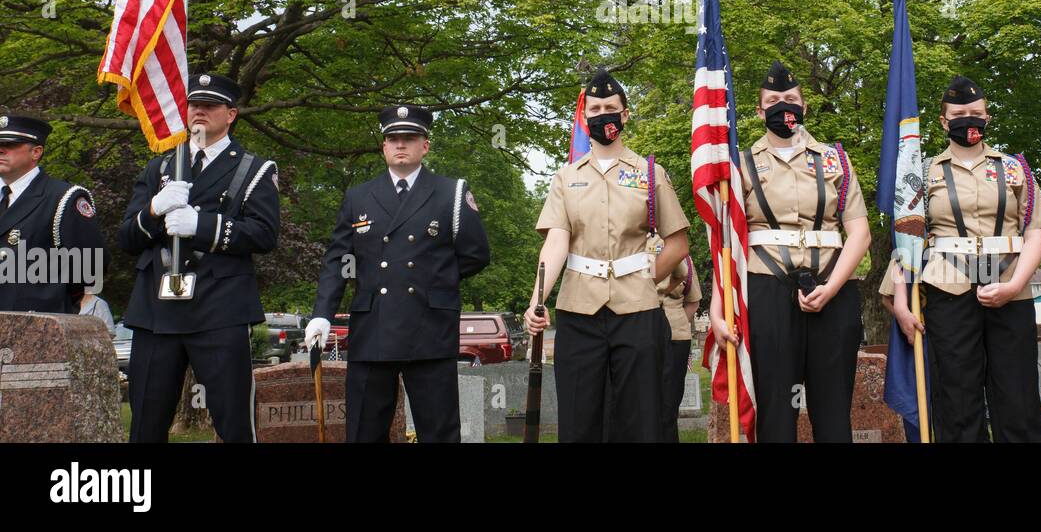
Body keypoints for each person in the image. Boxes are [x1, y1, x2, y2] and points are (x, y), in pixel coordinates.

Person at [304, 105, 490, 442]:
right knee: (364, 431)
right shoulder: (359, 196)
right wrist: (322, 314)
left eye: (409, 138)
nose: (400, 144)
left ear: (425, 146)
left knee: (439, 432)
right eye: (393, 139)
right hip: (373, 326)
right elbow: (339, 261)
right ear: (384, 147)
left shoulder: (451, 193)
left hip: (429, 327)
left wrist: (430, 281)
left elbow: (476, 255)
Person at [883, 75, 1041, 442]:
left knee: (1018, 397)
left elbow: (1035, 231)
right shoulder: (922, 174)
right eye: (958, 114)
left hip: (1010, 286)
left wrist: (1015, 285)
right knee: (957, 400)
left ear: (988, 117)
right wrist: (899, 299)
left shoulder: (1015, 168)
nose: (968, 120)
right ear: (943, 121)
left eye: (976, 113)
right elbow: (907, 238)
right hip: (948, 289)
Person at [525, 68, 689, 442]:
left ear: (625, 114)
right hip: (578, 310)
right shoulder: (565, 178)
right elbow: (556, 242)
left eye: (610, 107)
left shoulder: (651, 173)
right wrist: (537, 300)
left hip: (638, 310)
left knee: (640, 420)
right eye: (595, 108)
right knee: (579, 419)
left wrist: (646, 280)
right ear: (585, 118)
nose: (603, 115)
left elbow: (678, 243)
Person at [710, 60, 871, 443]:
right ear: (759, 110)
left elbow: (860, 231)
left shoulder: (836, 160)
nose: (784, 106)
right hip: (766, 291)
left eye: (791, 99)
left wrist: (830, 289)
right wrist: (718, 308)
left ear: (804, 107)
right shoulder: (740, 164)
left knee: (833, 413)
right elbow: (724, 241)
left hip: (832, 290)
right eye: (774, 100)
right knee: (776, 415)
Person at [118, 71, 280, 443]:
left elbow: (264, 234)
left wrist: (202, 226)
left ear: (231, 114)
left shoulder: (254, 169)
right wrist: (155, 210)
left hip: (219, 309)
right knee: (145, 423)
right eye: (194, 105)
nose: (200, 112)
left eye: (211, 106)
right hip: (156, 311)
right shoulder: (161, 166)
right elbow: (127, 238)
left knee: (234, 422)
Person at [0, 114, 105, 313]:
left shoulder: (64, 198)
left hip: (36, 324)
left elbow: (90, 267)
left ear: (36, 152)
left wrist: (50, 298)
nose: (1, 150)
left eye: (10, 145)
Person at [657, 252, 702, 441]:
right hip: (639, 333)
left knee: (669, 405)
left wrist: (677, 323)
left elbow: (693, 301)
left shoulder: (684, 259)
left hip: (676, 337)